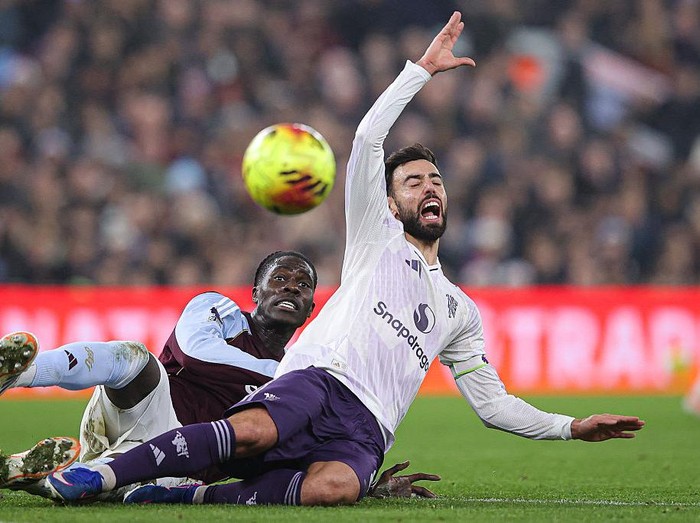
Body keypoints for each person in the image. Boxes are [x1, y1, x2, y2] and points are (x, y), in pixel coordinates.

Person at [45, 12, 645, 507]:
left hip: (369, 426)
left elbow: (493, 406)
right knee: (254, 431)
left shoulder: (459, 310)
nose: (428, 188)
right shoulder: (375, 238)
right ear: (389, 200)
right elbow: (366, 141)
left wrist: (571, 427)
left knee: (334, 488)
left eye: (435, 181)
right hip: (319, 379)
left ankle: (177, 497)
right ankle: (103, 473)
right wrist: (420, 73)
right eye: (412, 181)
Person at [0, 251, 438, 500]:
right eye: (279, 279)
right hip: (145, 403)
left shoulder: (304, 381)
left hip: (181, 459)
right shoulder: (221, 313)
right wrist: (284, 374)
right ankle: (21, 372)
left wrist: (363, 484)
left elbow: (305, 455)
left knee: (95, 489)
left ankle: (24, 472)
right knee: (130, 356)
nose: (291, 287)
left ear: (310, 310)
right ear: (255, 293)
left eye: (302, 286)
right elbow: (194, 353)